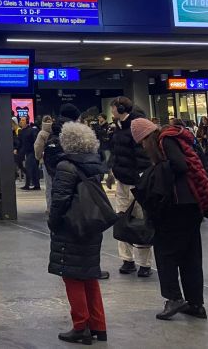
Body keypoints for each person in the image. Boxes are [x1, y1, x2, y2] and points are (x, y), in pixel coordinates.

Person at [133, 118, 208, 321]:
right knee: (191, 256)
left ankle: (173, 298)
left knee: (165, 252)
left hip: (176, 206)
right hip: (191, 205)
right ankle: (196, 303)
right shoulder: (177, 139)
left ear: (147, 136)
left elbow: (178, 166)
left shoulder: (166, 140)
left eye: (143, 142)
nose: (144, 147)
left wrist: (153, 173)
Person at [47, 122, 107, 345]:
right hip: (92, 224)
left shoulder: (66, 166)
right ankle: (98, 325)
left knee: (71, 275)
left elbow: (60, 200)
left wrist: (53, 223)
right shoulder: (94, 164)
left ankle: (80, 326)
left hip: (72, 227)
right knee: (90, 274)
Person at [109, 97, 153, 277]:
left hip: (136, 182)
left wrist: (140, 180)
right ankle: (127, 260)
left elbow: (143, 158)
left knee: (141, 220)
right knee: (121, 219)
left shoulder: (136, 128)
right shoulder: (119, 129)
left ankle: (144, 263)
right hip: (122, 180)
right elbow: (117, 154)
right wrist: (113, 172)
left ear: (119, 108)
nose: (111, 111)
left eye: (113, 108)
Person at [35, 116, 54, 213]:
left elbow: (38, 147)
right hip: (58, 161)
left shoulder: (42, 133)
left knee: (49, 185)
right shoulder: (57, 130)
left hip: (46, 161)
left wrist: (39, 158)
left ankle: (50, 207)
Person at [18, 117, 41, 190]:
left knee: (29, 168)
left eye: (23, 120)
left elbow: (35, 140)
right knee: (33, 169)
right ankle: (36, 185)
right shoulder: (21, 131)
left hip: (32, 151)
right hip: (26, 152)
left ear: (27, 121)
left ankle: (27, 185)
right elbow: (21, 143)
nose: (21, 121)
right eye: (21, 120)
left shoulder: (31, 130)